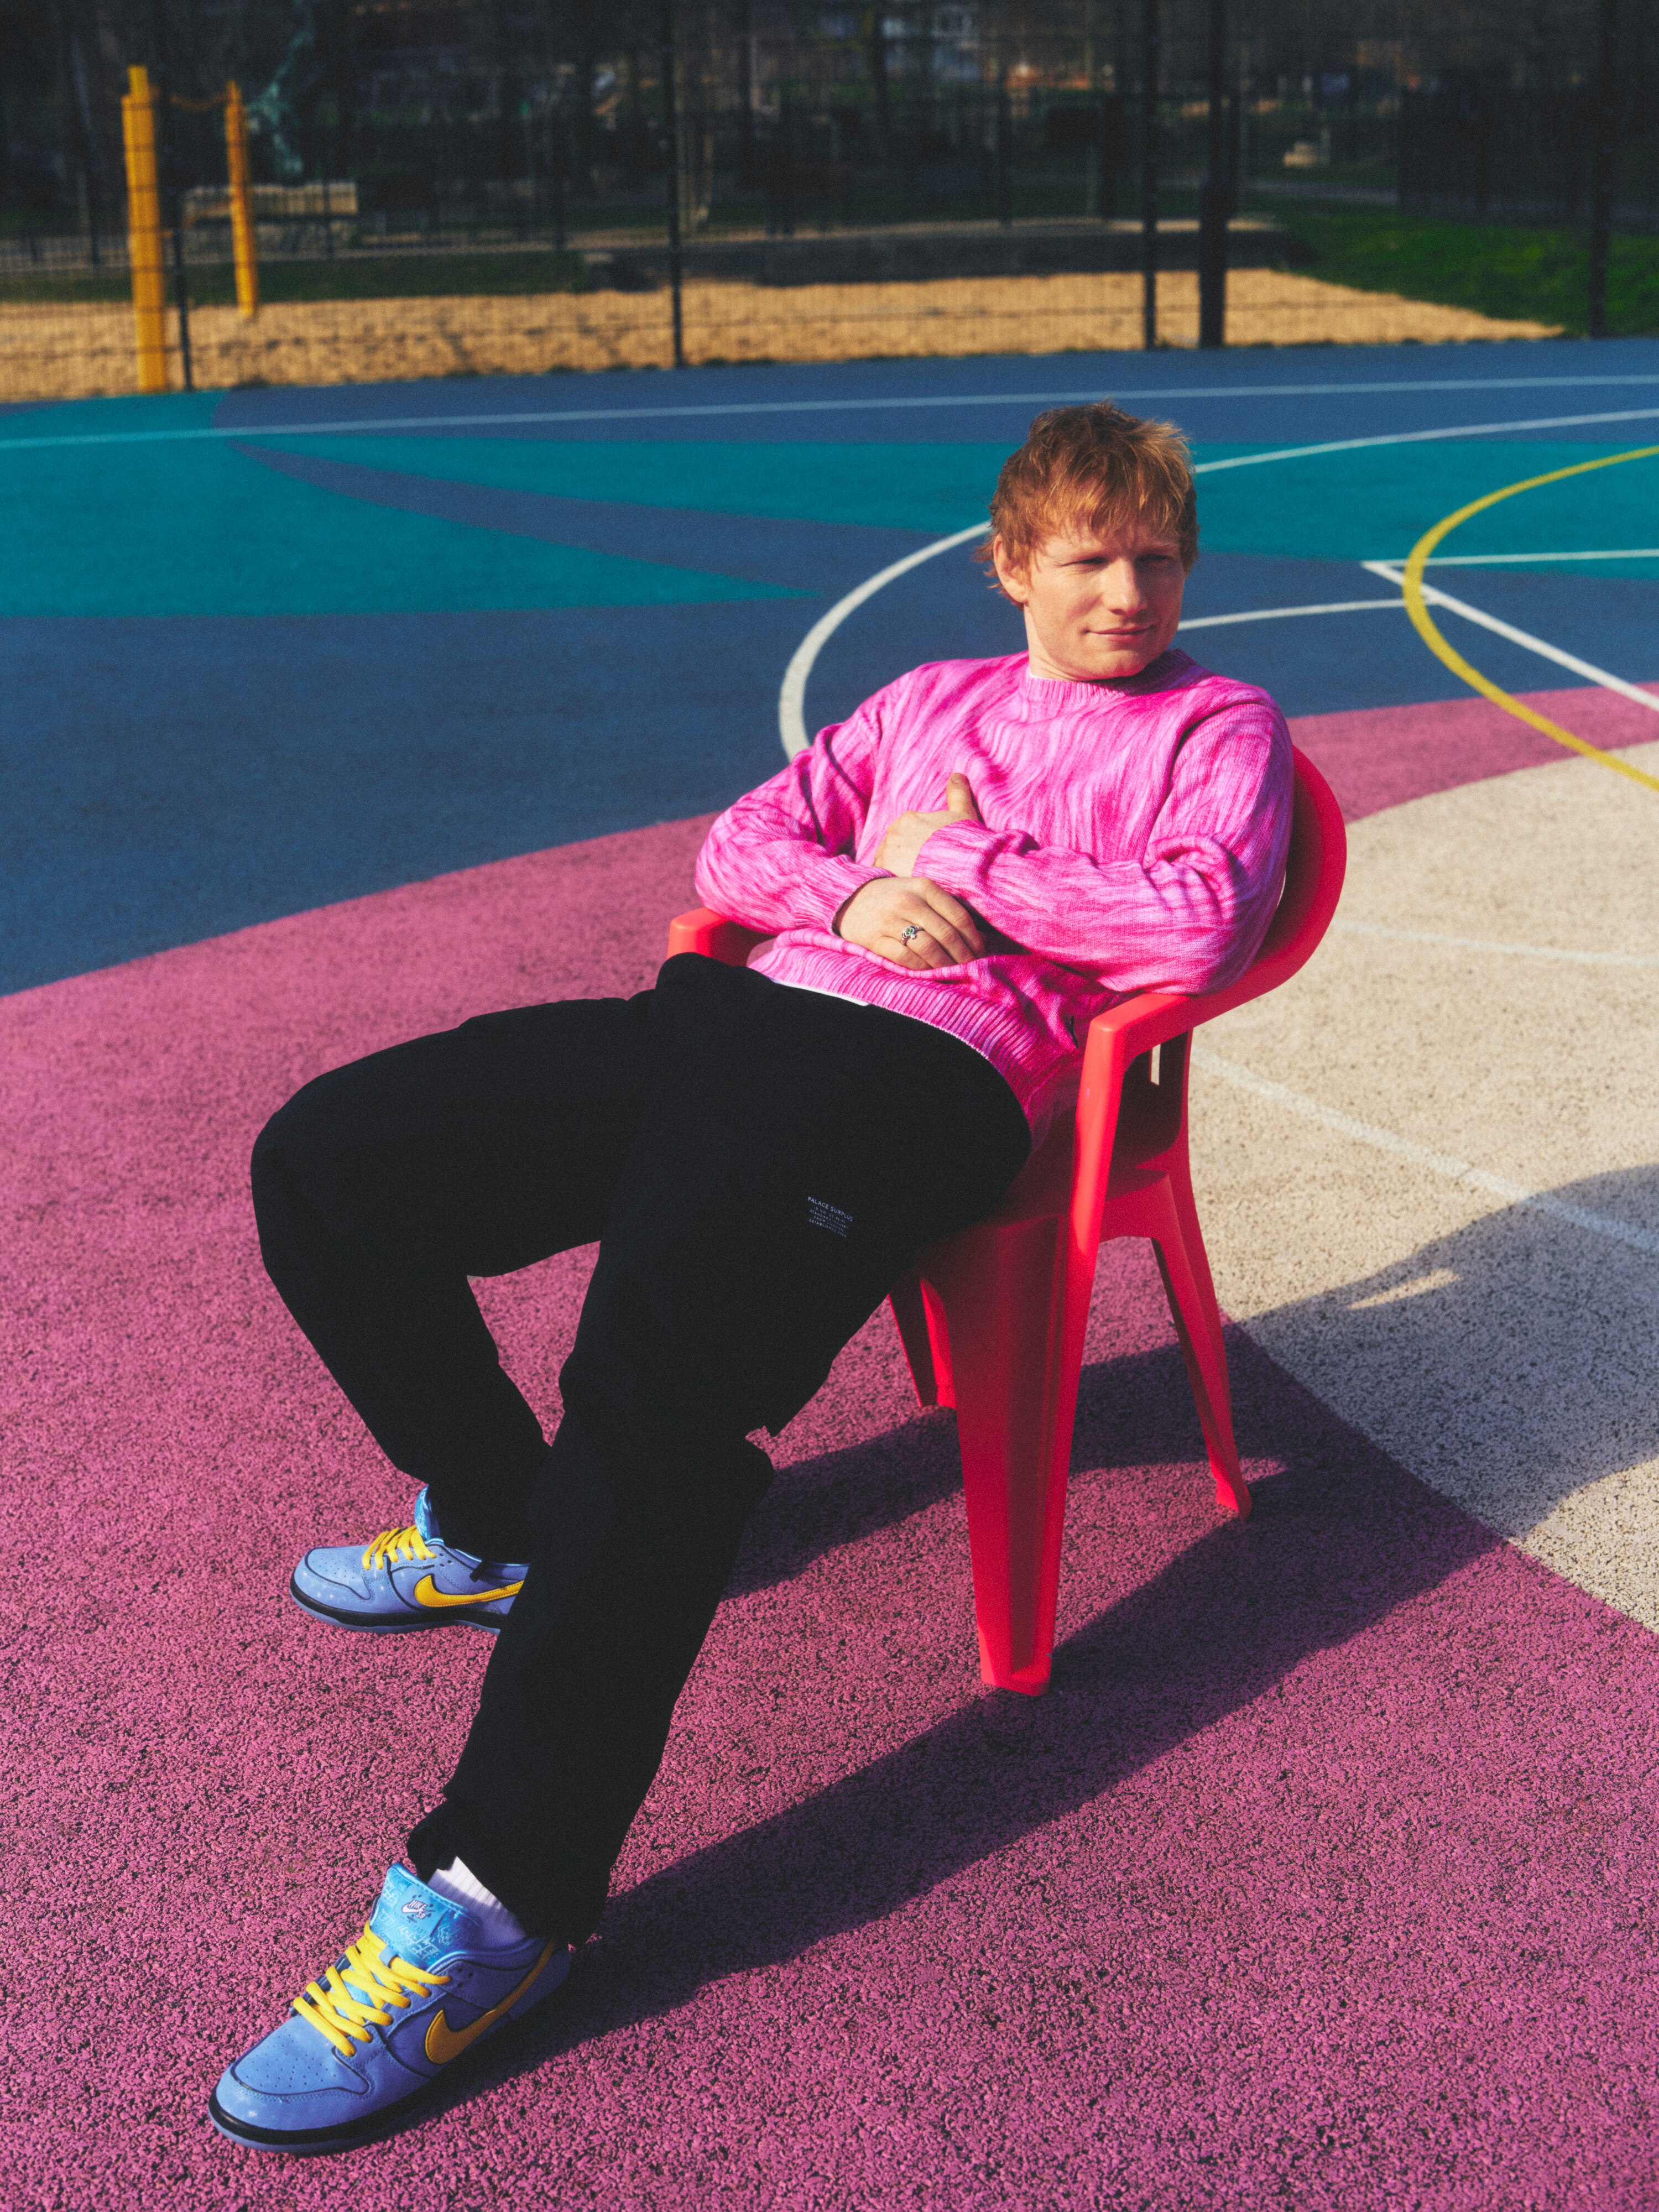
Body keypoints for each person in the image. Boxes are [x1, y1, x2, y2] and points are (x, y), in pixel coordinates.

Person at [210, 400, 1293, 2154]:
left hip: (925, 1085)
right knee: (327, 1160)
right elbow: (740, 853)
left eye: (1158, 554)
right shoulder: (920, 704)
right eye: (1091, 554)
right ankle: (496, 1512)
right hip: (738, 1013)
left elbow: (1196, 922)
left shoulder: (1219, 721)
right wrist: (869, 883)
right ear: (1014, 561)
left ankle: (500, 1899)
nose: (1130, 590)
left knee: (659, 1371)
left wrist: (966, 873)